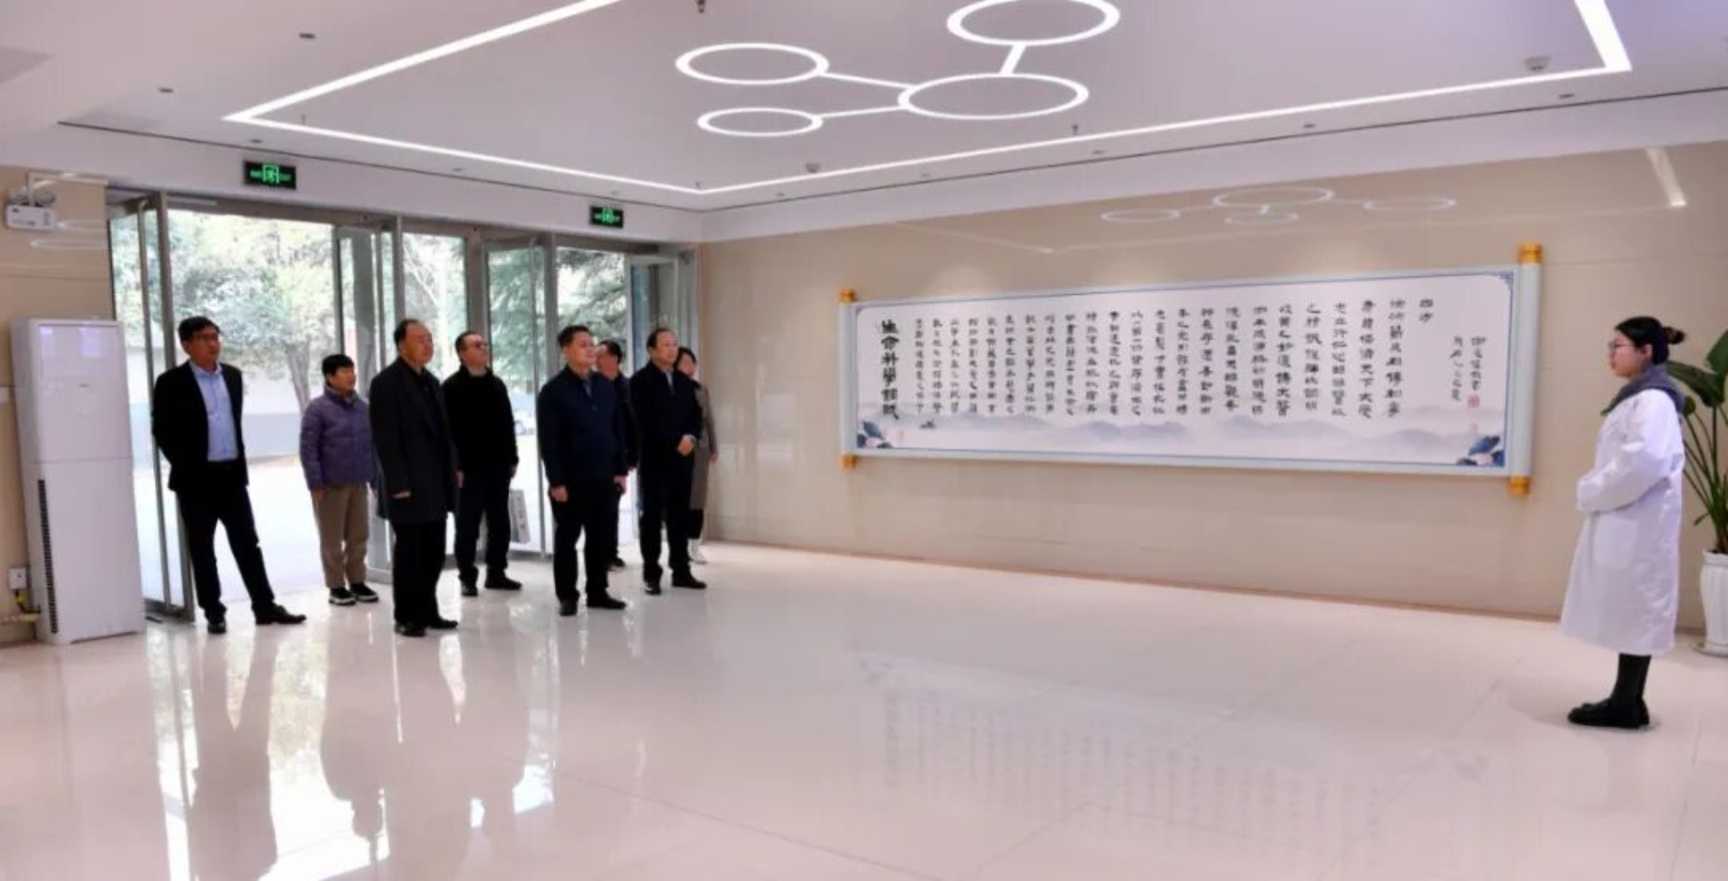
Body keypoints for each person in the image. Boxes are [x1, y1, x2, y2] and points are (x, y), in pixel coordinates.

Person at [1560, 317, 1689, 730]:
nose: (1610, 354)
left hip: (1637, 522)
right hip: (1634, 522)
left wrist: (1592, 490)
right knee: (1634, 611)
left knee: (1636, 612)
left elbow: (1643, 463)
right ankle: (1628, 700)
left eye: (1618, 346)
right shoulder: (1641, 398)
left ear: (1646, 351)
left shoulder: (1652, 401)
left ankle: (1625, 703)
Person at [151, 316, 306, 635]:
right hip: (196, 481)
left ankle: (264, 606)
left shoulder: (232, 376)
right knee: (202, 548)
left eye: (215, 336)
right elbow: (162, 431)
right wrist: (187, 465)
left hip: (232, 476)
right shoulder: (171, 382)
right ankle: (214, 611)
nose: (213, 343)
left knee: (248, 543)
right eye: (204, 338)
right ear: (186, 345)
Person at [371, 319, 460, 638]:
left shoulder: (431, 381)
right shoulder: (386, 383)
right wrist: (397, 483)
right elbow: (386, 439)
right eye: (420, 339)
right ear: (401, 345)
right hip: (407, 484)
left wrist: (454, 470)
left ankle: (428, 610)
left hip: (435, 483)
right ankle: (406, 615)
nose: (428, 344)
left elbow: (444, 434)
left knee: (434, 551)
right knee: (410, 553)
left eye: (430, 338)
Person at [539, 325, 630, 616]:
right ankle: (567, 595)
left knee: (600, 537)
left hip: (603, 476)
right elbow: (548, 440)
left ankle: (598, 591)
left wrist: (620, 469)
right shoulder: (553, 391)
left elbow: (617, 429)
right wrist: (556, 481)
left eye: (592, 344)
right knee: (567, 538)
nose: (590, 349)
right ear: (566, 350)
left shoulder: (604, 385)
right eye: (582, 345)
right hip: (570, 480)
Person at [443, 331, 522, 597]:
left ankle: (496, 572)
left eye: (485, 344)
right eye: (477, 345)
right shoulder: (451, 387)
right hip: (467, 471)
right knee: (467, 526)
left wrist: (513, 457)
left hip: (498, 467)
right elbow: (448, 432)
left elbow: (507, 423)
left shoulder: (496, 384)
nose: (484, 348)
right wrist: (455, 466)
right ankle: (467, 577)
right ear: (462, 354)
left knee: (500, 523)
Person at [631, 328, 707, 594]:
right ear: (651, 350)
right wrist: (675, 439)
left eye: (675, 344)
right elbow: (645, 420)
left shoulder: (684, 381)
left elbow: (696, 415)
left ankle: (681, 570)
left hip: (683, 460)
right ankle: (651, 574)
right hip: (655, 459)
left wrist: (690, 437)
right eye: (665, 345)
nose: (672, 349)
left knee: (679, 516)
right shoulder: (640, 381)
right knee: (652, 518)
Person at [300, 354, 379, 607]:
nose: (351, 376)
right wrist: (315, 483)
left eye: (352, 371)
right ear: (329, 377)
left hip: (358, 482)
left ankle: (357, 581)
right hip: (329, 485)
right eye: (344, 371)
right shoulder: (317, 409)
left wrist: (375, 480)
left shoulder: (363, 407)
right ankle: (336, 586)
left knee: (359, 535)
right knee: (331, 538)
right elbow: (308, 449)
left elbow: (372, 446)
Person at [675, 347, 719, 565]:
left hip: (700, 449)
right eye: (685, 362)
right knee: (680, 498)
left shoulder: (701, 389)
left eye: (692, 362)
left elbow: (709, 419)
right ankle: (679, 547)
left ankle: (694, 545)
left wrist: (714, 447)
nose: (690, 367)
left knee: (698, 498)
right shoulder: (670, 389)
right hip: (678, 449)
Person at [598, 339, 637, 571]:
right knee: (602, 507)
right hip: (598, 456)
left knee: (612, 506)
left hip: (620, 456)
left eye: (601, 355)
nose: (596, 359)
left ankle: (610, 553)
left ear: (614, 358)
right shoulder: (593, 386)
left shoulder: (628, 387)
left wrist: (631, 458)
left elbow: (635, 424)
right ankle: (602, 554)